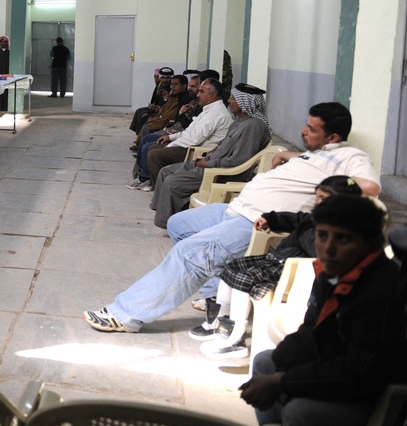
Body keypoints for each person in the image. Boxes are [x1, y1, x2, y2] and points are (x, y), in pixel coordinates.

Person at [84, 102, 380, 334]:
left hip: (257, 222)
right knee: (178, 224)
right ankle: (215, 294)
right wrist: (288, 155)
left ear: (334, 137)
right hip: (235, 209)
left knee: (190, 254)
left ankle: (126, 314)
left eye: (312, 129)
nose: (304, 131)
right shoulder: (316, 154)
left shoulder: (351, 157)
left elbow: (370, 187)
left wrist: (337, 184)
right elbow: (310, 162)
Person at [240, 195, 404, 426]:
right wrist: (282, 368)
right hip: (338, 366)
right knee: (265, 362)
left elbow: (360, 374)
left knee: (299, 413)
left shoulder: (382, 293)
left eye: (343, 239)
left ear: (371, 244)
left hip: (376, 396)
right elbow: (311, 330)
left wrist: (285, 381)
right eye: (322, 235)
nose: (327, 249)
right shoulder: (332, 273)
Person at [193, 175, 363, 357]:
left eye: (324, 199)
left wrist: (311, 230)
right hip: (275, 261)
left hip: (290, 271)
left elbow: (319, 251)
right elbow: (294, 219)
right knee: (233, 267)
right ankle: (221, 319)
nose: (318, 202)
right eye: (318, 197)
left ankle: (235, 339)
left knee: (243, 279)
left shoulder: (333, 231)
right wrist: (270, 219)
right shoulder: (315, 219)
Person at [150, 82, 272, 227]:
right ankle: (163, 212)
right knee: (166, 171)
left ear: (243, 102)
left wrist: (208, 164)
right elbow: (221, 147)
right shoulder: (239, 123)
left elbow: (239, 161)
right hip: (211, 163)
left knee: (172, 181)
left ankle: (170, 223)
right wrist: (207, 156)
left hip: (222, 172)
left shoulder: (253, 126)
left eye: (233, 98)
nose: (229, 100)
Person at [127, 78, 233, 192]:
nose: (198, 95)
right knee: (151, 145)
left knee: (153, 153)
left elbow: (194, 139)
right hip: (188, 143)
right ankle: (147, 179)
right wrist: (170, 137)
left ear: (213, 95)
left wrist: (171, 145)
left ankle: (158, 187)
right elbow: (190, 131)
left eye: (202, 92)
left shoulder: (216, 113)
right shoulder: (209, 109)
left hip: (196, 149)